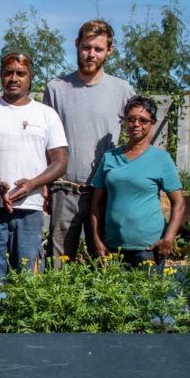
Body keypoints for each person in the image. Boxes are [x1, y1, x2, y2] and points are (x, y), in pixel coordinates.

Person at [0, 51, 68, 283]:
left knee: (25, 280)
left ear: (30, 78)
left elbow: (60, 160)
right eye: (8, 72)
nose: (14, 78)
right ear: (0, 76)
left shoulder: (46, 115)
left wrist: (32, 184)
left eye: (21, 73)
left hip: (30, 207)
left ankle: (18, 319)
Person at [43, 19, 136, 261]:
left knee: (104, 261)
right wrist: (44, 185)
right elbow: (44, 140)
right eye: (86, 47)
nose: (91, 54)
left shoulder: (122, 90)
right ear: (76, 45)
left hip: (104, 192)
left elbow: (139, 132)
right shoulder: (56, 89)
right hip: (65, 188)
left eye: (98, 49)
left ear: (109, 51)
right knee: (59, 264)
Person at [89, 96, 185, 267]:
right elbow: (96, 204)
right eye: (131, 119)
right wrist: (97, 239)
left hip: (148, 248)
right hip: (113, 247)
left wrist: (168, 238)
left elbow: (178, 203)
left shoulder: (161, 159)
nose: (136, 124)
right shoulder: (110, 158)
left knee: (148, 294)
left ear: (152, 123)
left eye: (143, 120)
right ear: (125, 122)